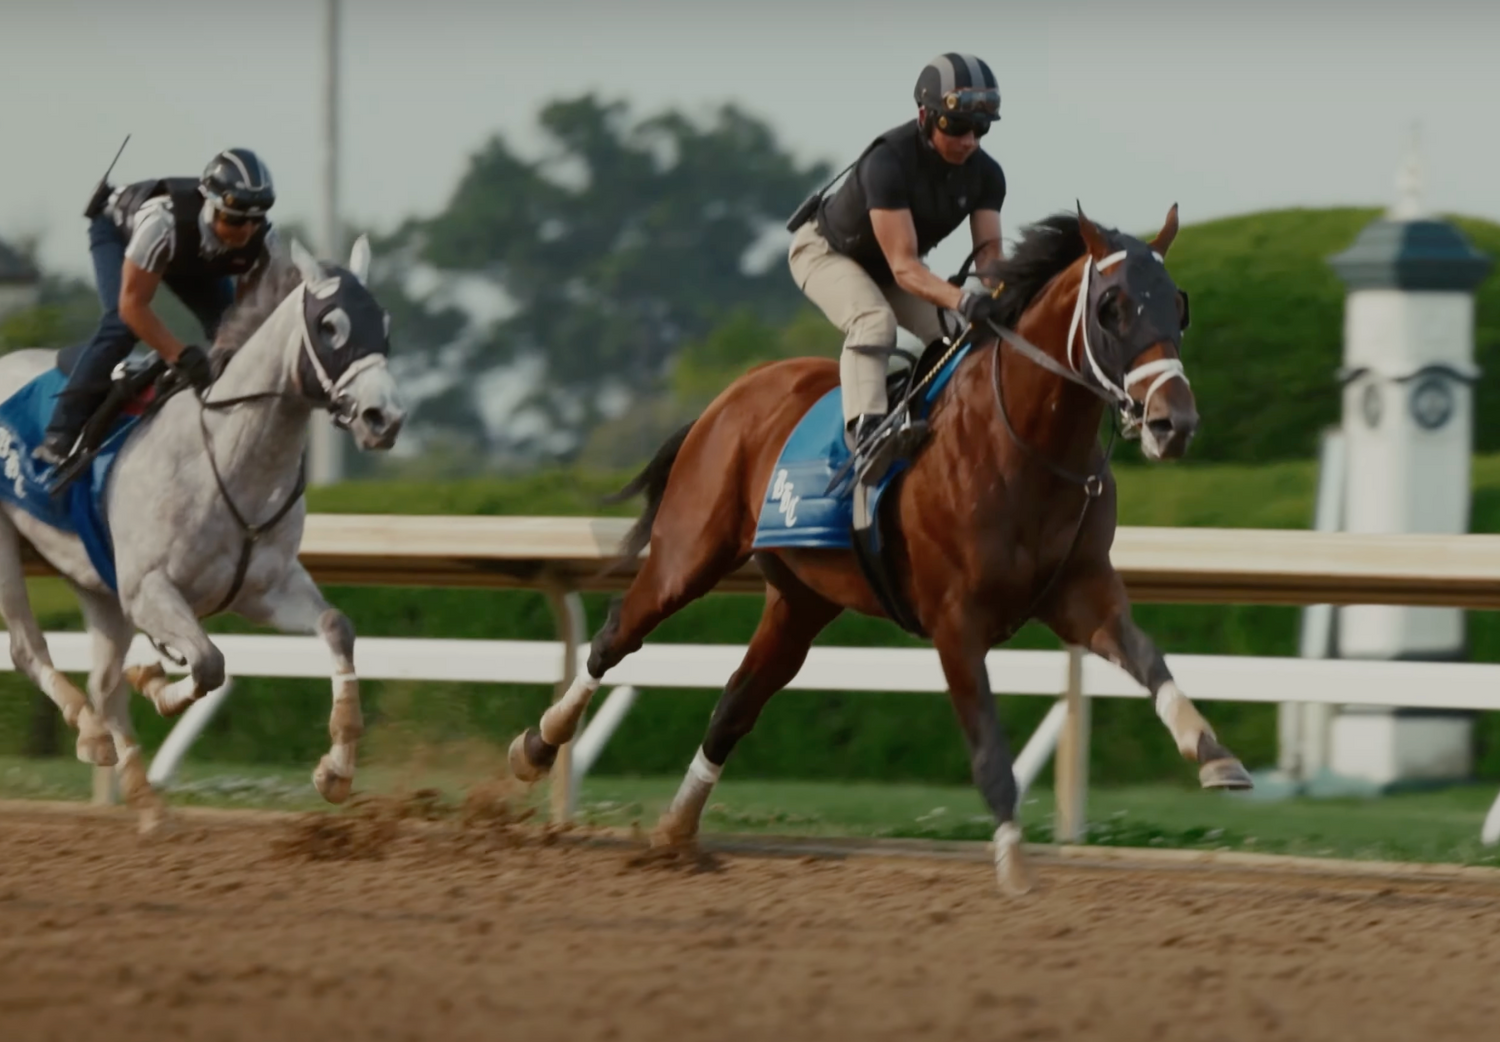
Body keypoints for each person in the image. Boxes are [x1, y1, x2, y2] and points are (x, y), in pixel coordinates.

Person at [787, 53, 1008, 477]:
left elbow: (990, 258)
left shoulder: (987, 175)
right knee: (873, 320)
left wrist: (1010, 294)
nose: (969, 141)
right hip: (826, 253)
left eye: (980, 129)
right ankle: (867, 433)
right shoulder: (888, 162)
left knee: (962, 336)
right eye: (956, 126)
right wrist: (964, 299)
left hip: (889, 267)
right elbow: (906, 267)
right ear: (926, 116)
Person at [33, 148, 279, 466]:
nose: (244, 232)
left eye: (254, 220)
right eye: (234, 219)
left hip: (189, 254)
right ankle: (60, 432)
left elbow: (244, 319)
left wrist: (226, 348)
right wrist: (179, 354)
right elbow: (132, 306)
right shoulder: (161, 223)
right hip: (119, 231)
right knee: (119, 328)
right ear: (211, 205)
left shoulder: (265, 241)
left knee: (234, 330)